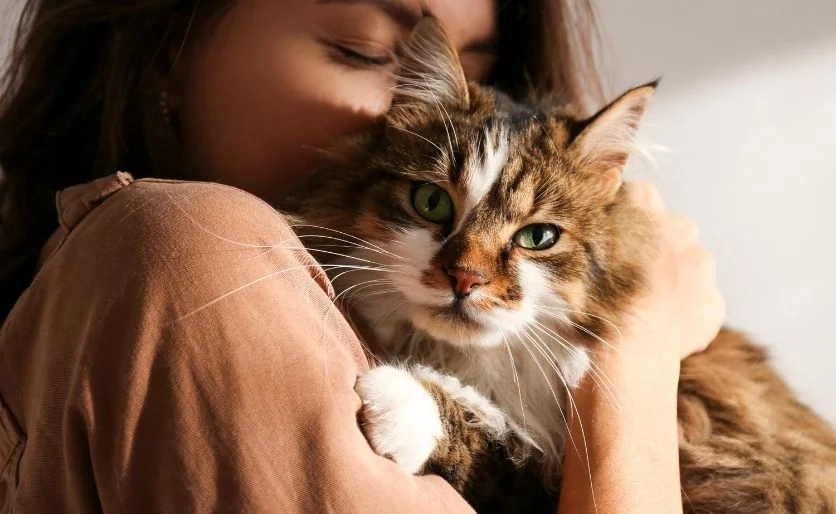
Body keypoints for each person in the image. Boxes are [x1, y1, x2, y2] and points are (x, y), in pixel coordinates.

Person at [0, 0, 725, 512]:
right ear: (165, 46)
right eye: (370, 52)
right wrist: (635, 355)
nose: (420, 114)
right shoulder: (193, 248)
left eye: (479, 65)